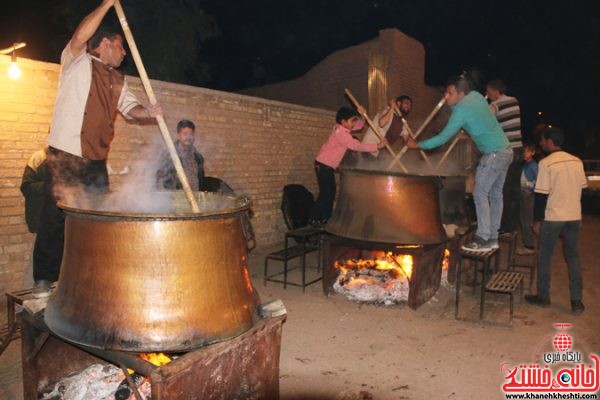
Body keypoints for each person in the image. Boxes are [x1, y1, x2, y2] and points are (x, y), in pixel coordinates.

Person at [32, 0, 163, 298]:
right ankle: (43, 280)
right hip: (65, 154)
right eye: (121, 47)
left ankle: (92, 279)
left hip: (96, 160)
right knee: (54, 219)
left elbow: (131, 110)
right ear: (105, 43)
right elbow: (80, 36)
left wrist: (150, 112)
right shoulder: (76, 61)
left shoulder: (118, 79)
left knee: (97, 220)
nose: (124, 52)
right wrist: (106, 4)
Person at [405, 74, 512, 251]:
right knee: (495, 195)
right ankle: (493, 237)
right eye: (445, 93)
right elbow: (483, 121)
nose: (446, 97)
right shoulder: (477, 96)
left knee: (479, 194)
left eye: (449, 93)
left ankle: (484, 238)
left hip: (493, 154)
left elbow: (442, 138)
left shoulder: (460, 110)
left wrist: (417, 145)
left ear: (461, 93)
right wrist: (470, 133)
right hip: (506, 151)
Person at [525, 127, 587, 315]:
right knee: (573, 258)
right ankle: (577, 301)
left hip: (553, 217)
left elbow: (541, 195)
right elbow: (581, 188)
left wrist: (537, 220)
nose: (541, 144)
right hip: (574, 216)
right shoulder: (577, 162)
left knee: (545, 255)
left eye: (543, 140)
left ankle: (543, 296)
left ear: (551, 141)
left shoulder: (547, 163)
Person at [309, 106, 386, 227]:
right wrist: (377, 146)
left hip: (326, 166)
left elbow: (359, 126)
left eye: (354, 120)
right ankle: (314, 218)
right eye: (352, 121)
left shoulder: (343, 128)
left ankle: (325, 219)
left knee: (330, 192)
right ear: (343, 122)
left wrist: (362, 115)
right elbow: (356, 146)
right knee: (326, 193)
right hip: (323, 165)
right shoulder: (341, 133)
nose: (354, 123)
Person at [486, 80, 522, 234]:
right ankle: (513, 225)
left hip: (506, 151)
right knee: (513, 190)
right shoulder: (514, 101)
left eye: (488, 92)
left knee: (502, 190)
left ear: (495, 91)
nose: (487, 95)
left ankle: (504, 226)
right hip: (518, 150)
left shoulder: (495, 105)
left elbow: (486, 121)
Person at [20, 149, 48, 288]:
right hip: (42, 218)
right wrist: (50, 185)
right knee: (38, 260)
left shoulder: (72, 158)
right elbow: (26, 187)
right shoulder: (39, 157)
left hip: (65, 220)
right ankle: (26, 301)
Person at [156, 119, 204, 191]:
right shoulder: (169, 154)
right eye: (185, 134)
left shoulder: (198, 157)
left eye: (191, 134)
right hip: (174, 198)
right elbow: (160, 179)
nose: (188, 137)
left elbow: (200, 181)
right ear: (178, 136)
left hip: (194, 198)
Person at [516, 142, 538, 255]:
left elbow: (540, 181)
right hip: (524, 195)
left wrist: (531, 190)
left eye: (527, 151)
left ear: (533, 152)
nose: (525, 153)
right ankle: (527, 244)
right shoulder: (525, 165)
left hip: (529, 197)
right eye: (524, 151)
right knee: (523, 220)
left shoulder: (533, 165)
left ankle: (529, 246)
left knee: (527, 221)